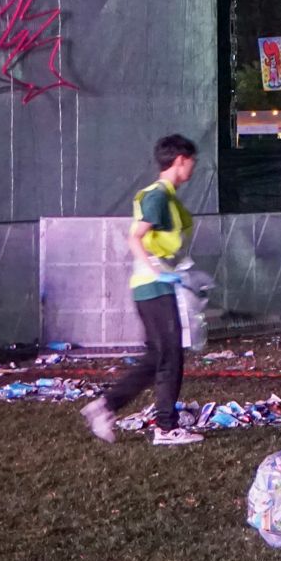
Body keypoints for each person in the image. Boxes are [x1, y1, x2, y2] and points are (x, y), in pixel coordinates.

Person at [82, 134, 205, 447]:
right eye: (192, 160)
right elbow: (135, 237)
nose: (194, 167)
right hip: (154, 286)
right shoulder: (158, 196)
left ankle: (106, 405)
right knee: (171, 356)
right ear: (180, 160)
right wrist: (159, 273)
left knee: (157, 356)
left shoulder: (167, 197)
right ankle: (165, 427)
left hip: (154, 286)